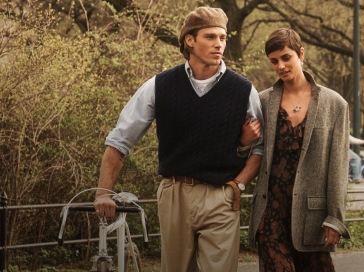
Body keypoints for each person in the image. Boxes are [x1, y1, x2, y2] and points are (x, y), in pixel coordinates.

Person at [94, 7, 264, 271]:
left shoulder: (243, 90)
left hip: (222, 195)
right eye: (210, 37)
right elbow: (119, 141)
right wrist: (104, 193)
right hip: (175, 194)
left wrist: (238, 186)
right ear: (189, 40)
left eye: (222, 37)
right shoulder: (159, 85)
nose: (219, 44)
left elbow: (259, 148)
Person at [247, 28, 350, 271]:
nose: (280, 66)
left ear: (301, 54)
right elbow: (251, 152)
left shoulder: (334, 104)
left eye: (286, 57)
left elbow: (338, 167)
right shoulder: (262, 101)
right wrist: (244, 141)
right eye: (274, 61)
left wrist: (335, 218)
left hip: (311, 216)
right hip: (270, 212)